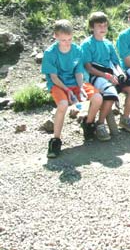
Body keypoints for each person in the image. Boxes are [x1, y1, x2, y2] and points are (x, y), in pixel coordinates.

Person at [42, 20, 103, 158]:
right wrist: (68, 91)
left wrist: (81, 87)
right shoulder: (50, 53)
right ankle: (55, 141)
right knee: (63, 105)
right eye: (63, 40)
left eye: (69, 39)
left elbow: (78, 71)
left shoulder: (77, 50)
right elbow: (54, 77)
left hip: (75, 82)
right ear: (56, 36)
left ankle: (88, 124)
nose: (67, 43)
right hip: (59, 85)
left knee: (98, 98)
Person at [81, 12, 130, 138]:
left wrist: (120, 73)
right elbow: (89, 67)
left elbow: (116, 62)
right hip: (96, 76)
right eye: (99, 26)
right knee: (110, 92)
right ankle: (100, 124)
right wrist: (106, 76)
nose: (103, 28)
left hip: (111, 74)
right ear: (92, 27)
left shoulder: (108, 43)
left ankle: (124, 118)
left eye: (105, 25)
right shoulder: (87, 44)